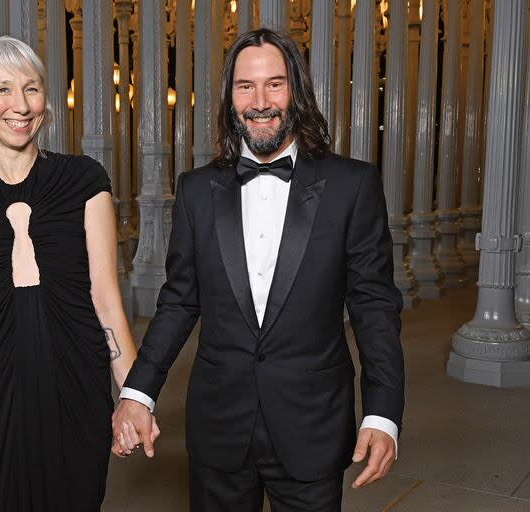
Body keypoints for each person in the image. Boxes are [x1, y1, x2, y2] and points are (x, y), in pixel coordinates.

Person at [112, 28, 404, 511]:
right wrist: (138, 393)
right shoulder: (195, 190)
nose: (260, 101)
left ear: (298, 93)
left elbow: (374, 306)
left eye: (275, 83)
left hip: (313, 425)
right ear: (229, 98)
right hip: (219, 429)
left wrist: (383, 414)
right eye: (246, 86)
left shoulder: (352, 186)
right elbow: (180, 300)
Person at [0, 36, 154, 512]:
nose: (20, 105)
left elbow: (106, 301)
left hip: (74, 390)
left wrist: (136, 397)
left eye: (32, 88)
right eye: (2, 89)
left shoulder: (85, 181)